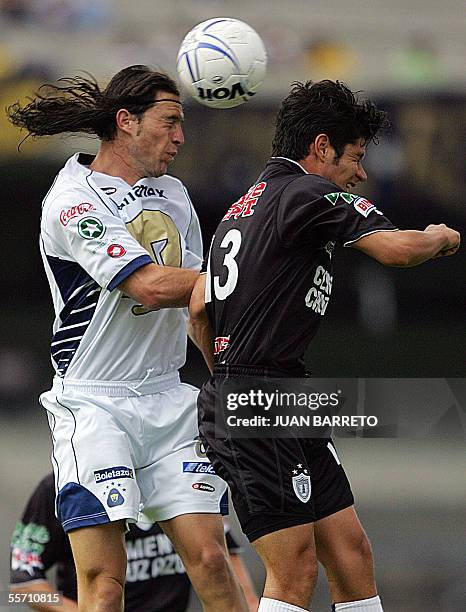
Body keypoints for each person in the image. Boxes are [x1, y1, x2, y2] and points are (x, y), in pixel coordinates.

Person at [188, 80, 461, 612]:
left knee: (352, 552)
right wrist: (444, 237)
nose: (360, 174)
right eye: (355, 158)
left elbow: (199, 308)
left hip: (279, 395)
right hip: (256, 402)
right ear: (320, 148)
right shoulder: (309, 193)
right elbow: (398, 250)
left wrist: (222, 376)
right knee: (293, 572)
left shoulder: (242, 208)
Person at [7, 65, 249, 612]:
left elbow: (199, 301)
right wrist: (247, 276)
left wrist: (223, 380)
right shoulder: (73, 199)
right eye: (170, 122)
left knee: (212, 561)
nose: (180, 137)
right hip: (95, 403)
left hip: (167, 397)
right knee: (104, 581)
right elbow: (149, 284)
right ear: (127, 122)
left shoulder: (176, 196)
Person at [10, 473, 259, 611]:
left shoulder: (182, 482)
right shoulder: (62, 490)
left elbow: (223, 560)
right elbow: (23, 585)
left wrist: (250, 602)